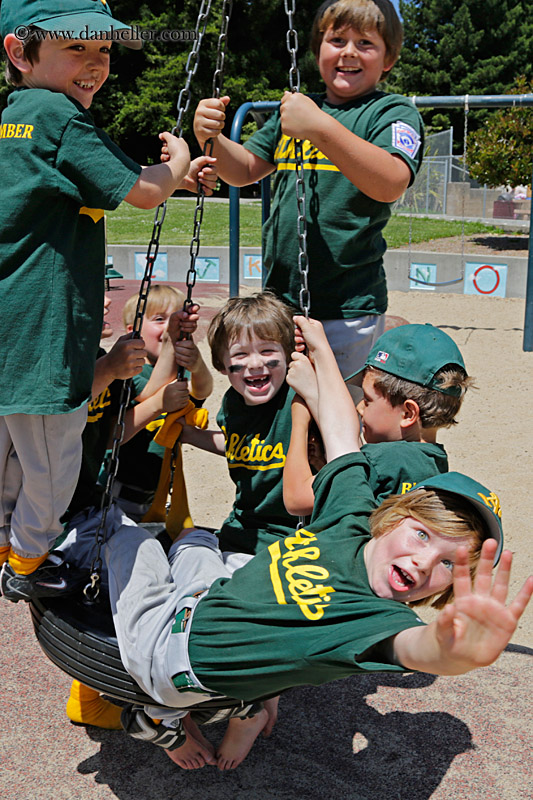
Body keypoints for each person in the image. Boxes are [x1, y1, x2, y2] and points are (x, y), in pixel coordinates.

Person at [65, 310, 532, 770]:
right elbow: (342, 434)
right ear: (392, 517)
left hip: (167, 653)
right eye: (423, 535)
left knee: (130, 541)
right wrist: (321, 352)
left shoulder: (372, 618)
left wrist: (449, 654)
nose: (425, 561)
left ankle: (160, 717)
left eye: (449, 565)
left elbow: (410, 645)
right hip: (205, 601)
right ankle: (233, 705)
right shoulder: (349, 516)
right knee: (191, 543)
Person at [0, 0, 216, 601]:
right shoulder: (61, 117)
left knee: (11, 453)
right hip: (42, 332)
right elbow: (144, 192)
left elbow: (99, 184)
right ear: (21, 52)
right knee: (52, 460)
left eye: (103, 51)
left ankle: (5, 545)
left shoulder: (18, 116)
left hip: (9, 326)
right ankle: (28, 563)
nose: (95, 65)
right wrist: (173, 165)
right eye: (76, 49)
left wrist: (172, 174)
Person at [193, 0, 424, 378]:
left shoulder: (390, 112)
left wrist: (319, 127)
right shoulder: (297, 112)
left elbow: (390, 182)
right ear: (318, 50)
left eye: (365, 43)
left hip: (348, 306)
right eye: (337, 40)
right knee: (281, 409)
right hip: (279, 301)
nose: (349, 52)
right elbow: (244, 169)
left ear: (389, 59)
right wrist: (212, 136)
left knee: (338, 409)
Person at [59, 296, 200, 729]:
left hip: (109, 496)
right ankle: (138, 687)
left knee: (139, 566)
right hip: (86, 500)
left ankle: (141, 681)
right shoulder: (70, 365)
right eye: (95, 286)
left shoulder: (104, 359)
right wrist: (154, 405)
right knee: (109, 584)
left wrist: (175, 342)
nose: (104, 297)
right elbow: (109, 432)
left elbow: (141, 395)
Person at [284, 321, 473, 516]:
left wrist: (300, 418)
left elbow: (297, 498)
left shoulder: (384, 460)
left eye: (367, 400)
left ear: (408, 414)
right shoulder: (430, 459)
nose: (359, 408)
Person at [181, 292, 299, 556]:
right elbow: (239, 444)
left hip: (291, 533)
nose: (255, 363)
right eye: (240, 354)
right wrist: (189, 434)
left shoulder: (297, 400)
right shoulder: (232, 404)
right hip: (243, 527)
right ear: (222, 365)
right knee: (187, 543)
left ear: (288, 354)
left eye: (267, 350)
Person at [109, 286, 213, 524]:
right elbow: (151, 394)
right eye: (159, 319)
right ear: (132, 331)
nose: (168, 327)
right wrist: (170, 341)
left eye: (174, 321)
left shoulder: (180, 375)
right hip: (118, 495)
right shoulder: (127, 374)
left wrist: (197, 366)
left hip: (155, 496)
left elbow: (202, 390)